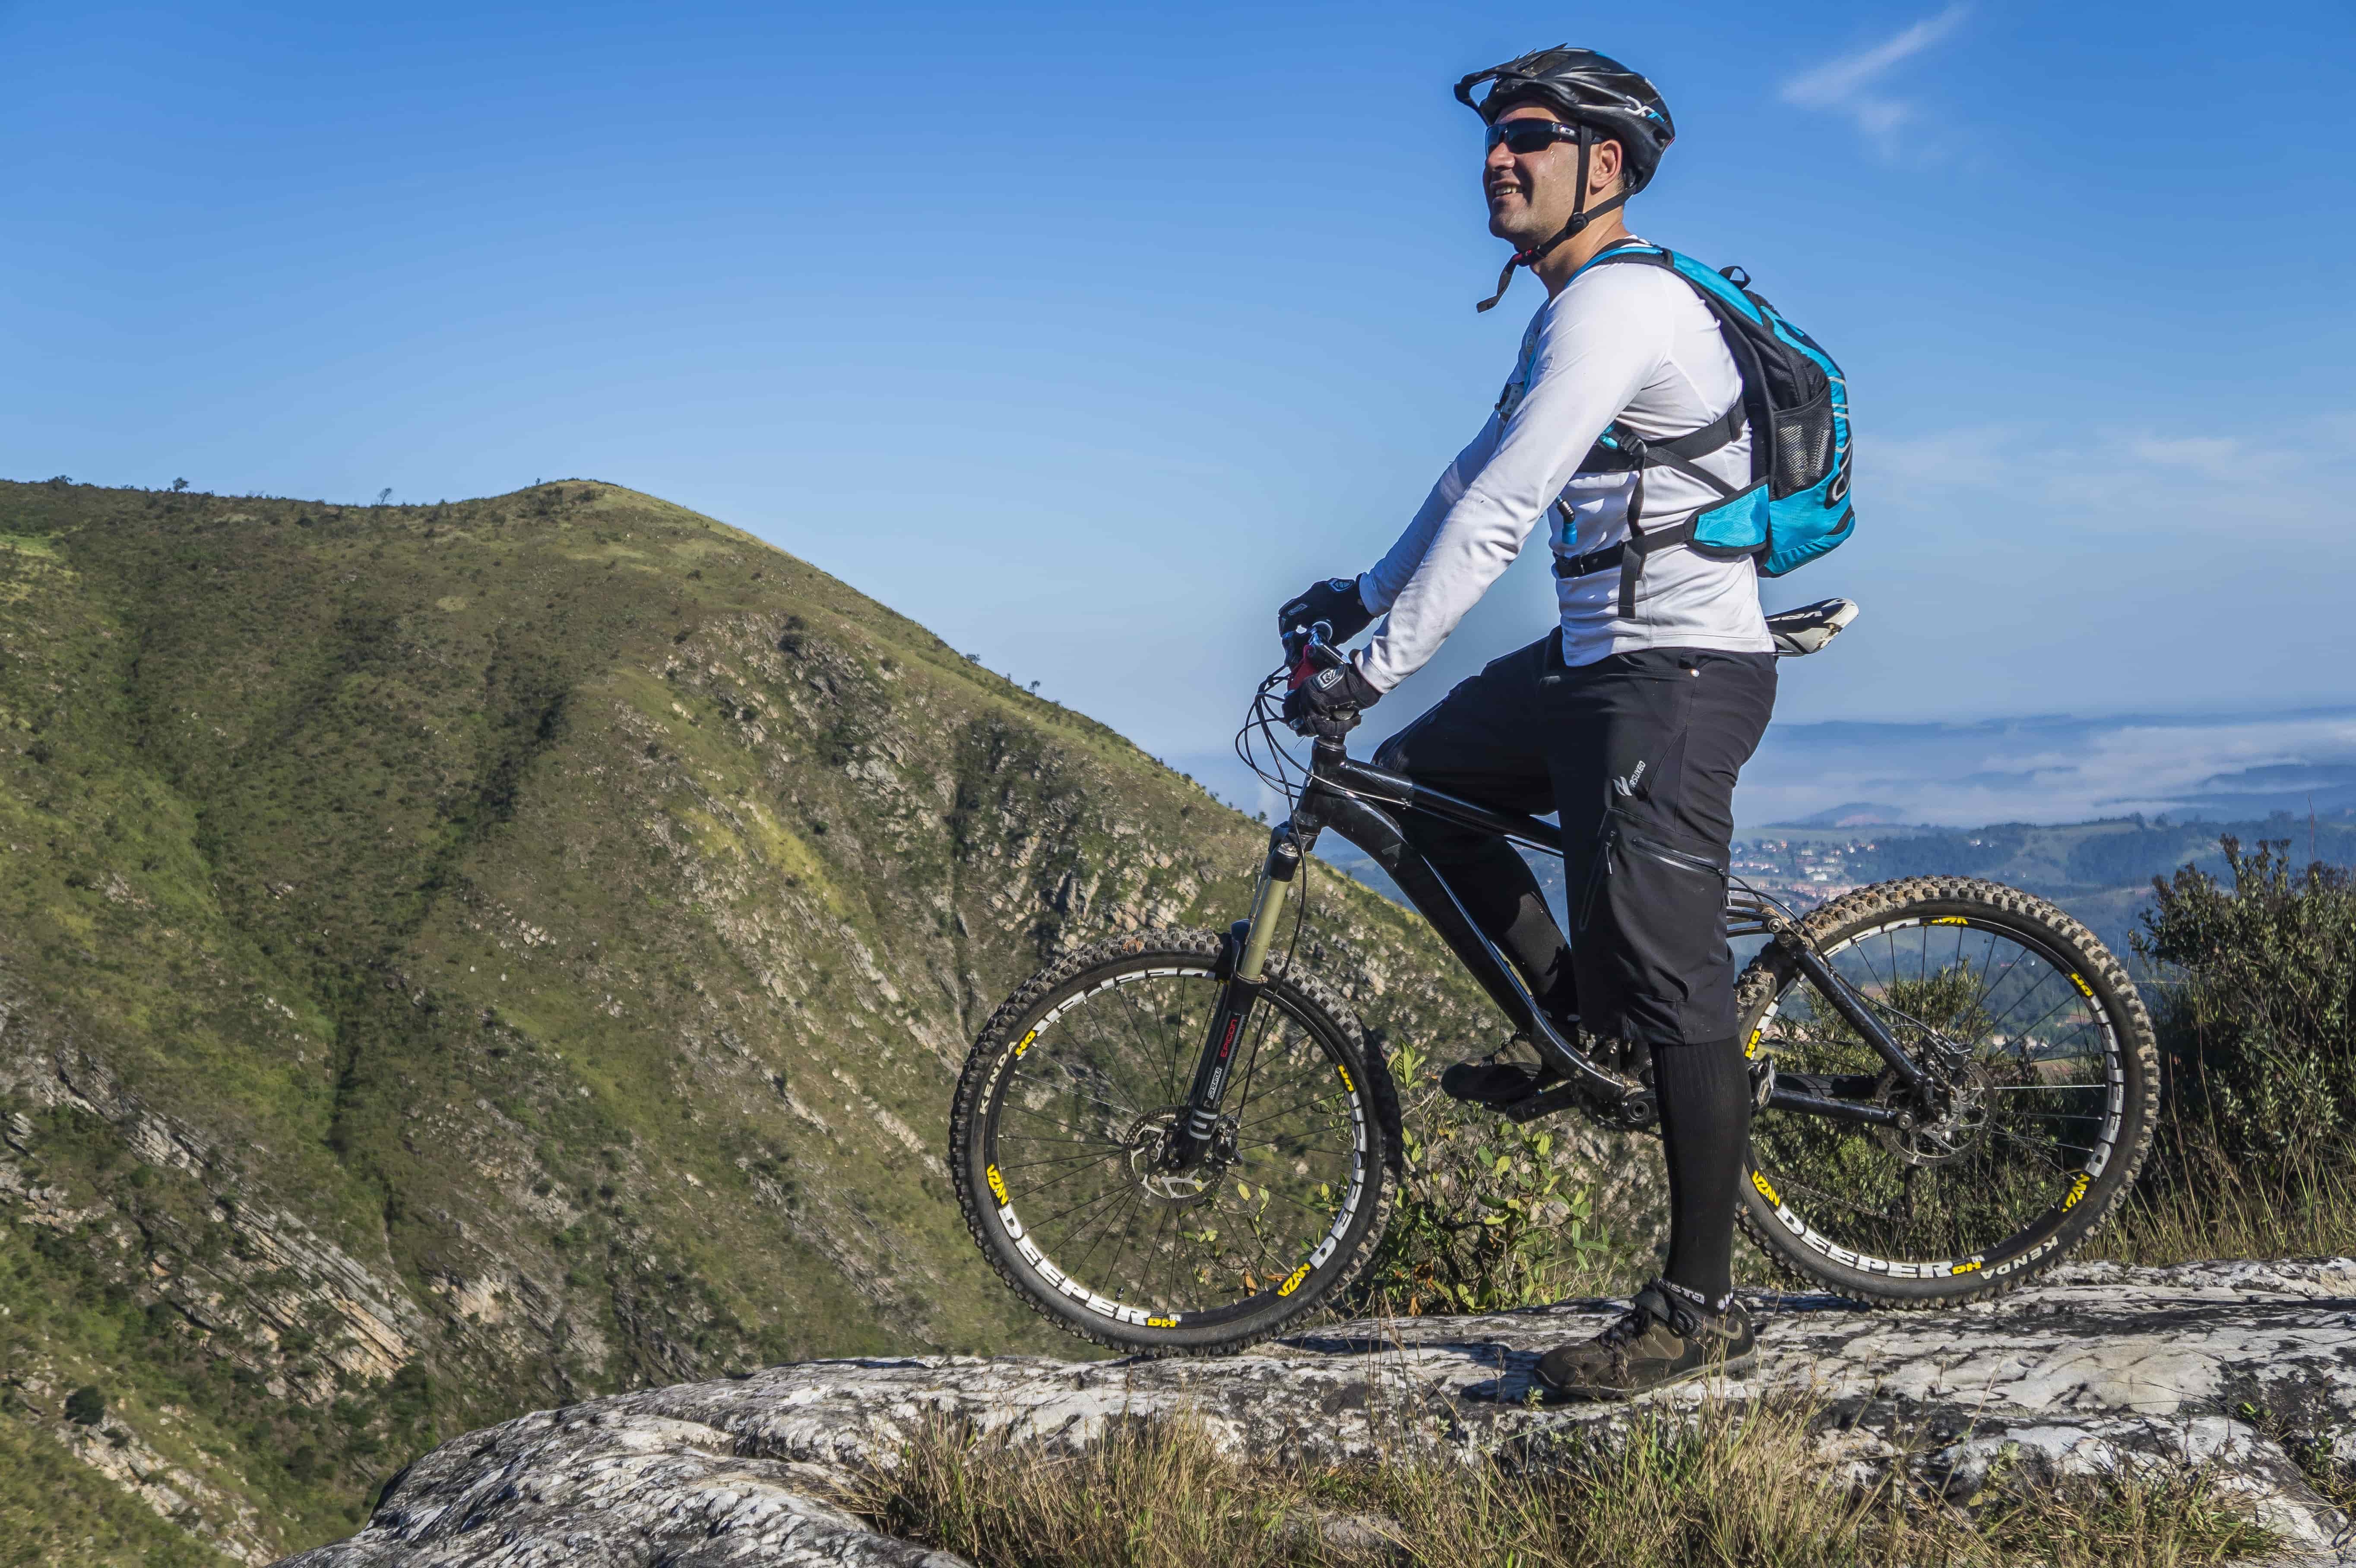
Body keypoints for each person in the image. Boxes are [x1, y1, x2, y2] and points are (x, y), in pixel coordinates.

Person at [1276, 46, 1776, 1400]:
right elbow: (1467, 480)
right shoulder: (1564, 314)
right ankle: (1583, 1029)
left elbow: (1506, 514)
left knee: (1678, 975)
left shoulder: (1621, 309)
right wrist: (1362, 591)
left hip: (1675, 673)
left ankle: (1700, 1304)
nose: (1499, 158)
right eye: (1494, 139)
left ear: (1602, 168)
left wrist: (1367, 663)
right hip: (1597, 658)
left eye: (1532, 138)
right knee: (1412, 795)